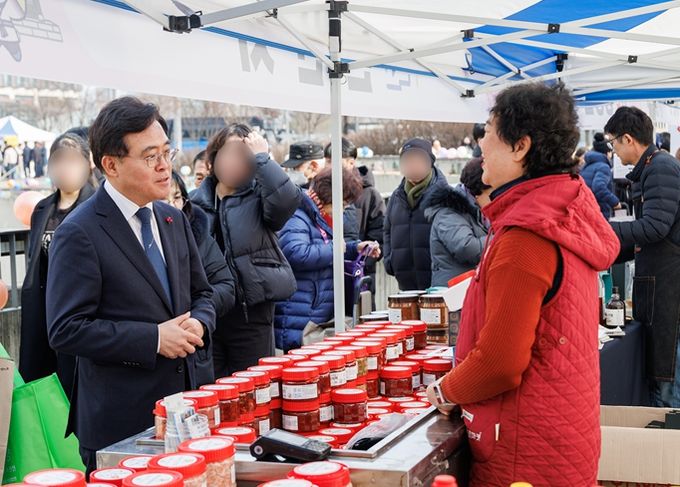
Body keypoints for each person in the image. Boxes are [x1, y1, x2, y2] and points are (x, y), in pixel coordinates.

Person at [426, 83, 620, 487]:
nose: (481, 143)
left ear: (520, 147)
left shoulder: (526, 235)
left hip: (525, 448)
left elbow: (500, 362)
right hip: (560, 433)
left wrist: (445, 391)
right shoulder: (563, 209)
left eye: (488, 132)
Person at [46, 97, 215, 473]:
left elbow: (203, 292)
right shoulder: (79, 232)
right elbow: (66, 329)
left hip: (186, 409)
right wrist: (153, 338)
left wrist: (200, 323)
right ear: (111, 165)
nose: (164, 166)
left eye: (167, 153)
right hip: (121, 421)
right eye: (150, 156)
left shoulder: (172, 218)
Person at [191, 123, 300, 375]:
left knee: (254, 384)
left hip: (252, 311)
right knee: (213, 386)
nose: (234, 161)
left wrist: (263, 157)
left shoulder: (260, 196)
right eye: (229, 153)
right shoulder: (196, 202)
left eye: (243, 155)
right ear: (213, 159)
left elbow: (287, 200)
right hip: (210, 310)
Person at [604, 106, 680, 407]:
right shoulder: (651, 168)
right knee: (662, 379)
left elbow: (655, 227)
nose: (613, 149)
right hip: (659, 285)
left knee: (668, 386)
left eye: (613, 142)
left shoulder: (660, 168)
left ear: (628, 139)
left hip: (670, 290)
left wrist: (604, 229)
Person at [19, 133, 95, 397]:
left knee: (76, 383)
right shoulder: (43, 209)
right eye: (59, 160)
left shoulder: (95, 206)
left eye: (73, 160)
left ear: (88, 164)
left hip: (79, 309)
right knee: (43, 385)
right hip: (43, 309)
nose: (65, 168)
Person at [275, 166, 380, 351]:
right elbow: (296, 252)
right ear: (329, 196)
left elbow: (323, 247)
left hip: (312, 312)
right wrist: (335, 248)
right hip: (300, 314)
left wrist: (354, 248)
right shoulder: (298, 215)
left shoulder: (318, 215)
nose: (343, 209)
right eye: (343, 203)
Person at [167, 170, 235, 385]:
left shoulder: (198, 236)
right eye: (163, 200)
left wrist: (197, 315)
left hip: (194, 350)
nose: (172, 206)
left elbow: (225, 285)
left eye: (177, 197)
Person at [383, 138, 449, 290]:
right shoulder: (397, 196)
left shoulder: (443, 194)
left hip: (436, 284)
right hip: (405, 284)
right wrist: (390, 261)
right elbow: (387, 230)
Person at [424, 157, 490, 287]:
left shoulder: (477, 211)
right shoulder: (448, 212)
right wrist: (502, 238)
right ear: (478, 191)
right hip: (453, 292)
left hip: (469, 287)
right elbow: (466, 248)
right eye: (491, 193)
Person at [580, 132, 620, 220]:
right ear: (608, 152)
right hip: (599, 210)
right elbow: (599, 187)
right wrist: (615, 202)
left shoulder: (586, 165)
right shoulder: (603, 167)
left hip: (586, 208)